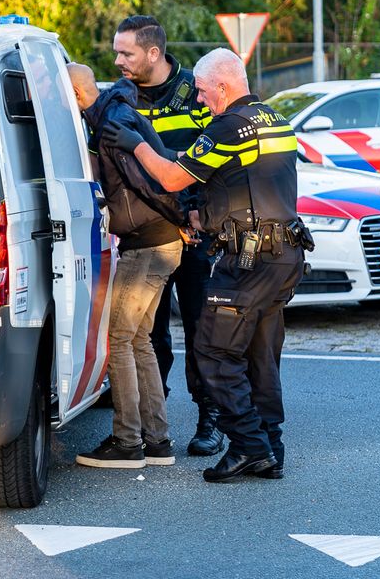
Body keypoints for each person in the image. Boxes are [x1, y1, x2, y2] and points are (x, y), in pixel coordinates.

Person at [101, 48, 313, 483]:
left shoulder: (228, 128)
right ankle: (270, 444)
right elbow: (246, 181)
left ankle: (250, 447)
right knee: (260, 355)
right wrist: (205, 211)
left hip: (249, 261)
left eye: (201, 91)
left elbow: (173, 177)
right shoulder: (275, 119)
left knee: (214, 352)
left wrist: (136, 143)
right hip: (284, 256)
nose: (198, 100)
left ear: (222, 85)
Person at [112, 15, 224, 457]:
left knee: (201, 330)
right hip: (147, 235)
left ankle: (210, 418)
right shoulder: (121, 99)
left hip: (195, 236)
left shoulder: (195, 96)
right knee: (149, 334)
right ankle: (148, 423)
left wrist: (197, 214)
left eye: (127, 53)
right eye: (117, 51)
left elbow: (211, 160)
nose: (118, 60)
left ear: (153, 54)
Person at [66, 63, 186, 469]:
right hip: (160, 243)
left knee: (118, 339)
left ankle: (127, 441)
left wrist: (184, 218)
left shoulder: (113, 128)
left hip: (148, 247)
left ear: (78, 97)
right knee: (140, 341)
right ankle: (157, 440)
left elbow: (149, 182)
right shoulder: (116, 113)